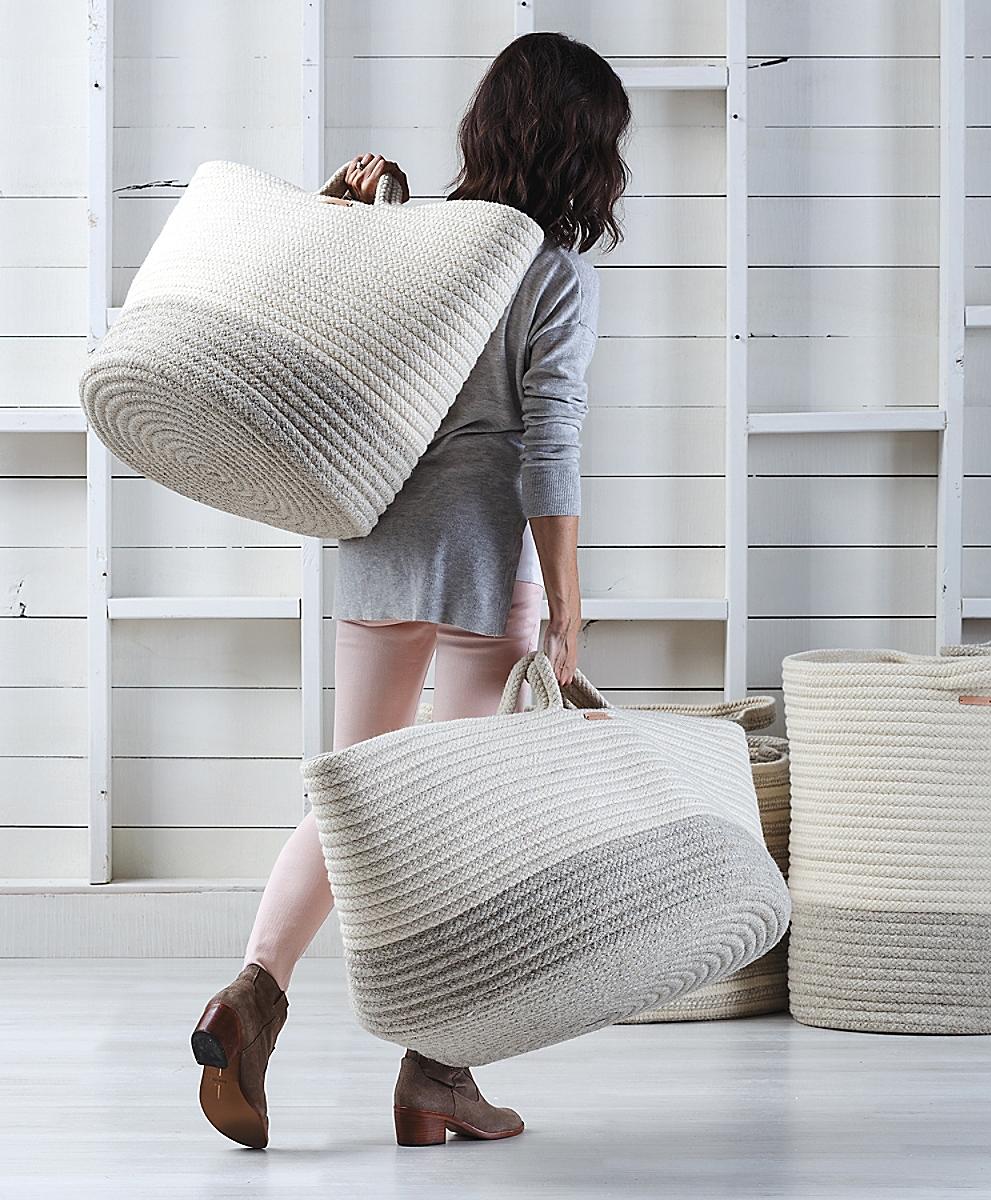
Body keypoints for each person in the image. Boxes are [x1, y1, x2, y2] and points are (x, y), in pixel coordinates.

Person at [188, 31, 631, 1150]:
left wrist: (345, 213)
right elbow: (549, 446)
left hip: (380, 537)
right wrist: (567, 603)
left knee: (349, 798)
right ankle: (437, 1073)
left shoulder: (419, 236)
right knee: (460, 820)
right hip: (484, 560)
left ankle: (252, 993)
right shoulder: (552, 271)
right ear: (585, 148)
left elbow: (313, 335)